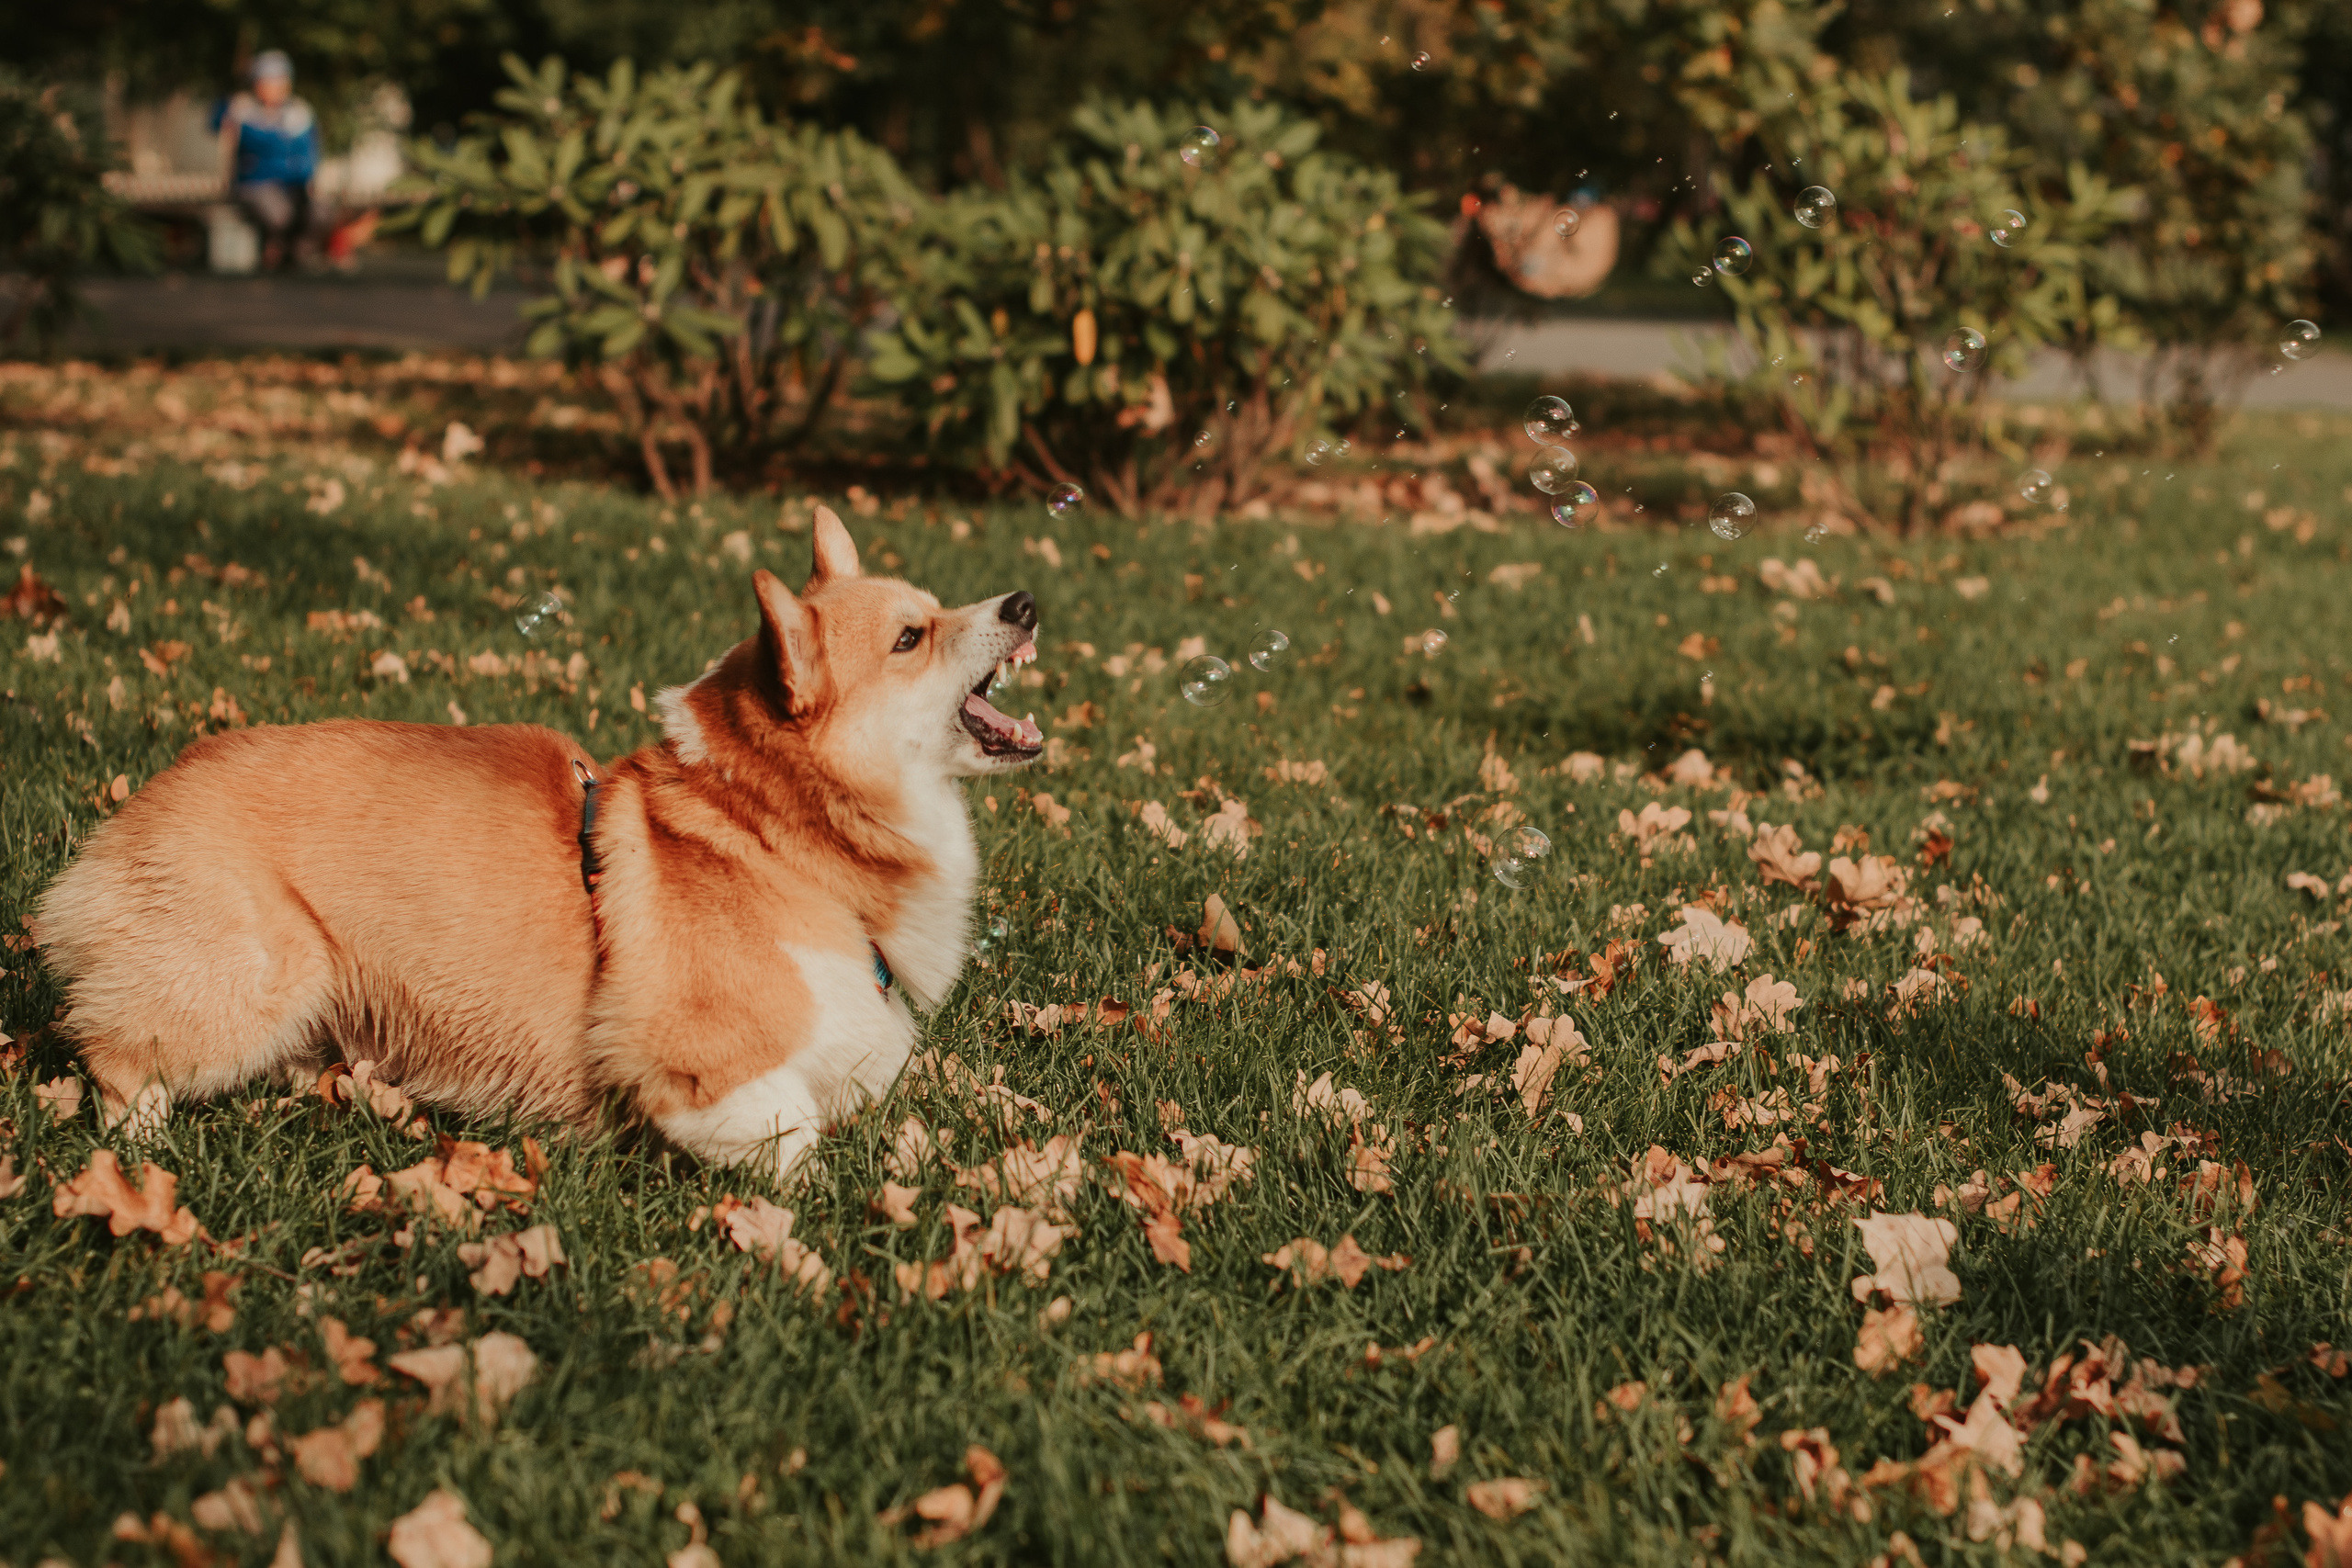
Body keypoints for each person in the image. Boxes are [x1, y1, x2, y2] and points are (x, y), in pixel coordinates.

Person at [216, 51, 322, 270]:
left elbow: (310, 152)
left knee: (320, 212)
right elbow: (217, 123)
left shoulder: (300, 114)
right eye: (268, 80)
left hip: (295, 187)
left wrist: (308, 178)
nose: (275, 86)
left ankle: (293, 252)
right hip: (255, 185)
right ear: (256, 83)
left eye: (280, 80)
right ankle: (275, 249)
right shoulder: (243, 111)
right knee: (279, 214)